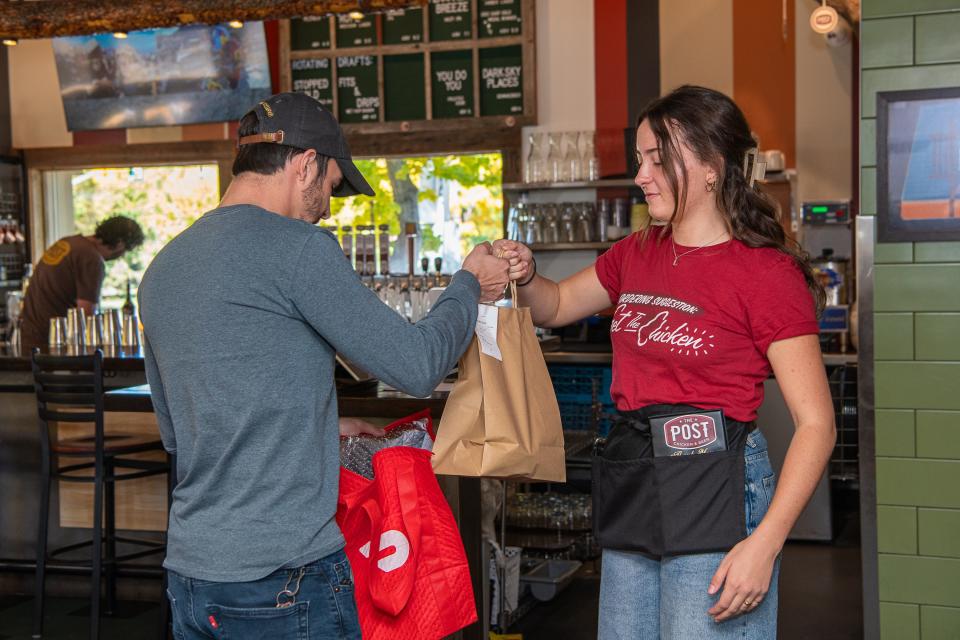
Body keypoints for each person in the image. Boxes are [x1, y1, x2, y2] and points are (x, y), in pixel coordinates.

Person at [138, 92, 510, 639]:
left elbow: (185, 431)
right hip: (284, 579)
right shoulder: (299, 248)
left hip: (192, 580)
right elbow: (416, 364)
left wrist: (318, 428)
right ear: (305, 163)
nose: (329, 207)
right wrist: (469, 286)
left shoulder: (162, 268)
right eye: (332, 186)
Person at [494, 85, 836, 639]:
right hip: (637, 471)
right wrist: (527, 275)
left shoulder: (765, 274)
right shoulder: (637, 252)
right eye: (640, 161)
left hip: (716, 483)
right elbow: (555, 305)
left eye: (658, 160)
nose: (641, 175)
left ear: (711, 168)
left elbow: (818, 425)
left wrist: (765, 544)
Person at [20, 216, 143, 349]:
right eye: (126, 251)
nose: (122, 256)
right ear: (120, 244)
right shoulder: (92, 259)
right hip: (54, 345)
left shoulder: (67, 242)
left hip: (29, 338)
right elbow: (87, 317)